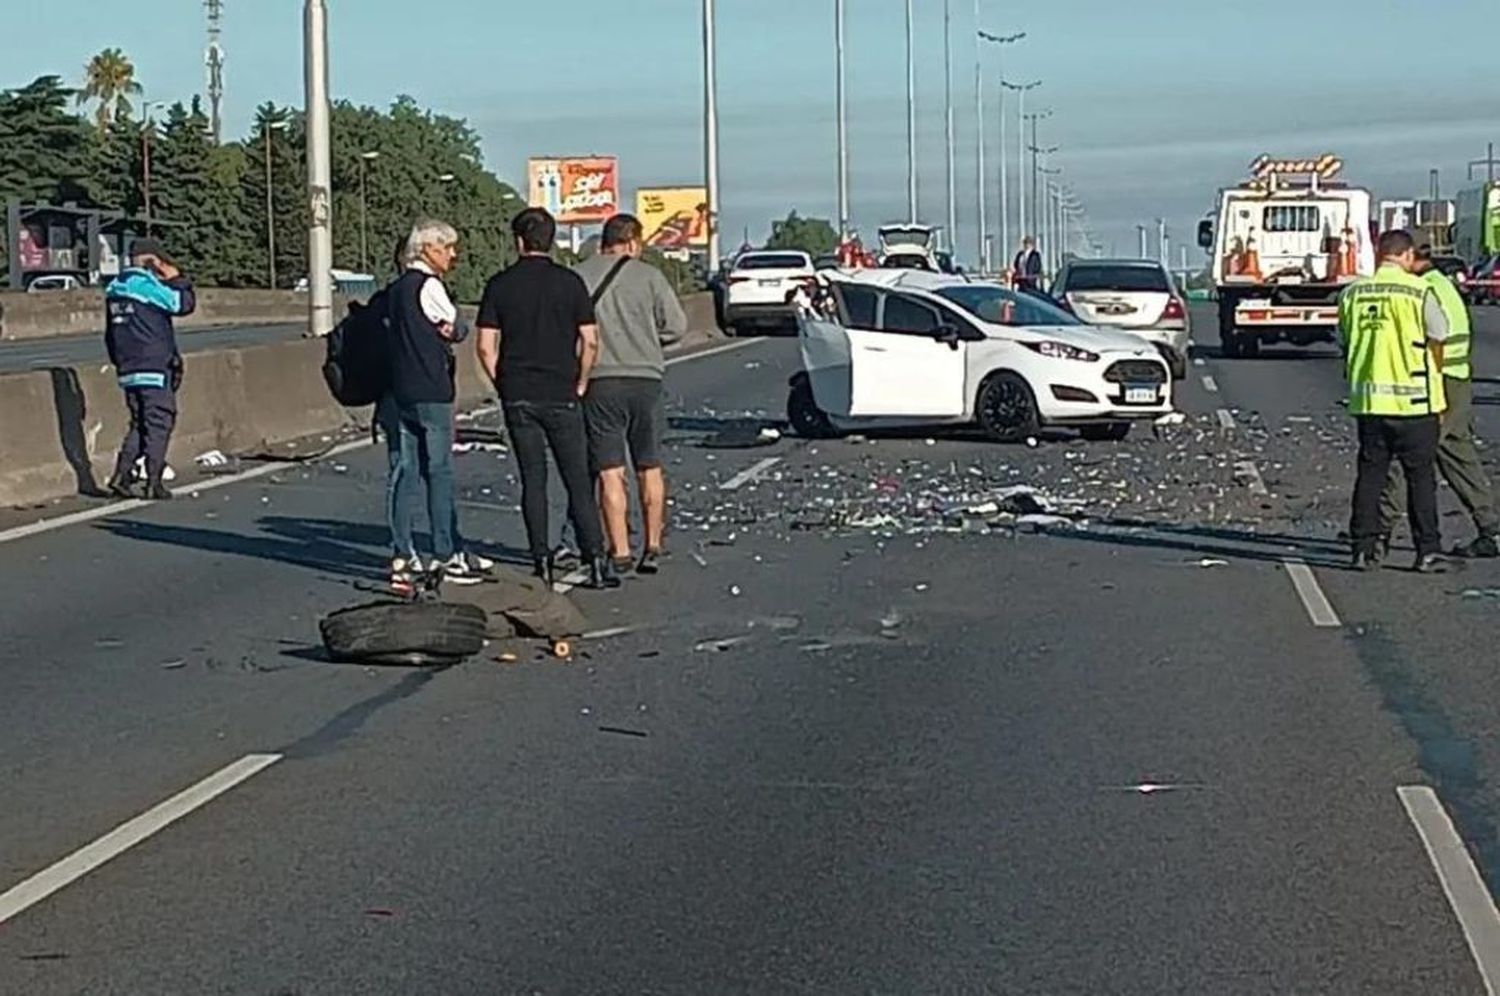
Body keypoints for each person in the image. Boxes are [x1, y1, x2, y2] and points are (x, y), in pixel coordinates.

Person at [475, 208, 620, 590]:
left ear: (519, 241)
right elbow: (590, 339)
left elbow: (486, 347)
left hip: (519, 394)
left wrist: (503, 383)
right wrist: (582, 381)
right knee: (576, 479)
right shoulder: (569, 283)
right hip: (562, 393)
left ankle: (541, 561)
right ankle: (597, 561)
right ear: (551, 240)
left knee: (533, 480)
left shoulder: (499, 285)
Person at [573, 214, 687, 575]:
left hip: (600, 381)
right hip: (646, 380)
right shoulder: (650, 277)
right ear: (633, 242)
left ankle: (619, 550)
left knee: (610, 470)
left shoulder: (578, 276)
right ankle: (652, 546)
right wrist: (650, 341)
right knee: (648, 466)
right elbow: (677, 327)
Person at [1374, 246, 1500, 559]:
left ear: (1411, 258)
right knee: (1457, 455)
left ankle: (1379, 531)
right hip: (1456, 379)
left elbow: (1432, 339)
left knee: (1408, 454)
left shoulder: (1424, 289)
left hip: (1438, 382)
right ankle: (1491, 528)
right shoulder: (1442, 284)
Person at [1339, 229, 1450, 573]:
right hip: (1414, 401)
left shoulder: (1352, 293)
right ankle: (1426, 550)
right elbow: (1441, 332)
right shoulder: (1418, 291)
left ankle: (1362, 547)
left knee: (1370, 476)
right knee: (1420, 479)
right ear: (1405, 256)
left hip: (1370, 402)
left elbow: (1345, 337)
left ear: (1380, 255)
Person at [383, 218, 485, 586]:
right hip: (432, 388)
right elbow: (455, 326)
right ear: (427, 249)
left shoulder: (395, 290)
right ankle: (445, 552)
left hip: (401, 390)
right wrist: (455, 329)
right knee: (439, 471)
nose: (453, 255)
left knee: (405, 471)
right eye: (447, 248)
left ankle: (402, 550)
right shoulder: (430, 286)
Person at [104, 238, 195, 500]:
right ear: (153, 261)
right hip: (153, 366)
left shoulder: (115, 288)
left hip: (128, 368)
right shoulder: (146, 286)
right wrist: (177, 278)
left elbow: (110, 334)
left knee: (139, 423)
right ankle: (153, 481)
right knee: (159, 423)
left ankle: (122, 475)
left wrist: (119, 362)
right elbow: (183, 304)